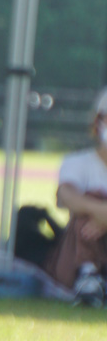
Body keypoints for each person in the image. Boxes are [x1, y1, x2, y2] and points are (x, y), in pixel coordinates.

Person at [44, 88, 107, 304]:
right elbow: (66, 196)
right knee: (90, 200)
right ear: (98, 123)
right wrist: (101, 211)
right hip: (79, 247)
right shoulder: (77, 162)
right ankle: (88, 275)